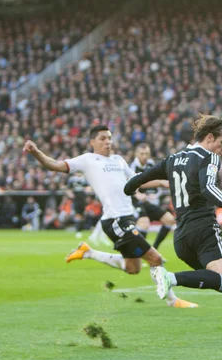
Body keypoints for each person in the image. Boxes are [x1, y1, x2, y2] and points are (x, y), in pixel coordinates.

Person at [124, 115, 222, 339]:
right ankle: (171, 278)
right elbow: (208, 187)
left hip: (182, 238)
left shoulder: (173, 159)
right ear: (209, 138)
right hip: (204, 230)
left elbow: (138, 179)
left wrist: (128, 189)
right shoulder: (208, 157)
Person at [23, 125, 197, 309]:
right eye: (102, 138)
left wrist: (163, 181)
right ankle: (172, 300)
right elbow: (56, 165)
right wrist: (36, 152)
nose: (107, 141)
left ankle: (88, 252)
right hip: (116, 221)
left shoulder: (119, 160)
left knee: (133, 268)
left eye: (109, 138)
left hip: (126, 219)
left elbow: (138, 180)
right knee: (156, 259)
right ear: (92, 142)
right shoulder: (88, 160)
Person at [130, 143, 176, 249]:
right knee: (144, 223)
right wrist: (138, 194)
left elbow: (156, 181)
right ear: (136, 154)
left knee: (169, 219)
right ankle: (138, 253)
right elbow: (132, 184)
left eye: (146, 153)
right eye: (142, 154)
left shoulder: (150, 164)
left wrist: (156, 192)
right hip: (134, 201)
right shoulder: (133, 167)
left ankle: (154, 249)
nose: (144, 156)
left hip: (147, 201)